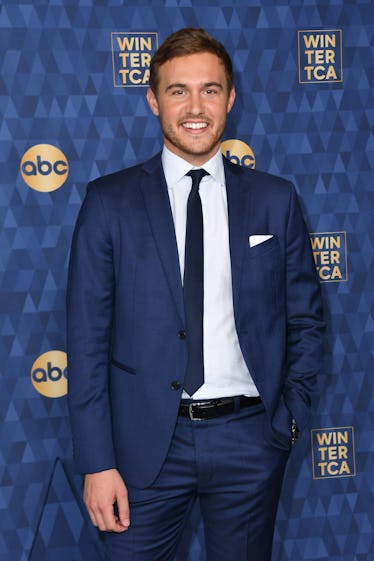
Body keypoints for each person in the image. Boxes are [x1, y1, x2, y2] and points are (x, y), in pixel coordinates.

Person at [67, 27, 325, 561]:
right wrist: (97, 461)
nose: (195, 107)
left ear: (230, 99)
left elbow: (305, 321)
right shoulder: (108, 202)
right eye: (178, 90)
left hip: (250, 441)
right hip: (141, 450)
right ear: (153, 99)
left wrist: (287, 421)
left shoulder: (276, 200)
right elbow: (87, 342)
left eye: (209, 90)